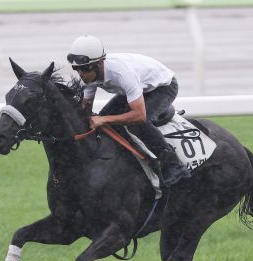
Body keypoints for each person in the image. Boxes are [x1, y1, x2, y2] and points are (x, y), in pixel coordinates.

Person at [67, 35, 191, 187]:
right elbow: (85, 109)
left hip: (163, 88)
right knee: (103, 122)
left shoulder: (121, 73)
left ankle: (173, 165)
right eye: (76, 68)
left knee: (137, 123)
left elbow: (139, 115)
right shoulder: (88, 75)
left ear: (99, 63)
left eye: (85, 68)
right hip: (136, 90)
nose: (81, 74)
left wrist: (104, 119)